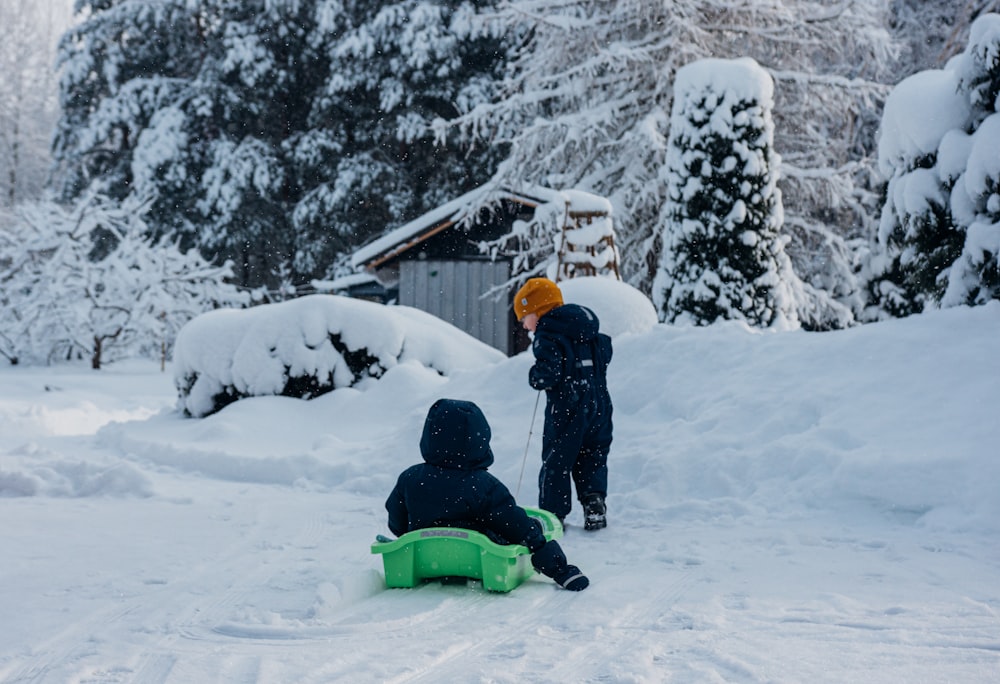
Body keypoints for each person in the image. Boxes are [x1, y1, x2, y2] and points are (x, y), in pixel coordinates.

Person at [385, 398, 589, 591]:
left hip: (426, 560)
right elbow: (515, 525)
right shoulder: (482, 485)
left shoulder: (410, 478)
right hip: (477, 560)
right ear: (478, 439)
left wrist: (411, 535)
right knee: (528, 524)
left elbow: (397, 522)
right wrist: (557, 566)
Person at [513, 277, 613, 531]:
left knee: (557, 460)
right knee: (593, 455)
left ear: (539, 310)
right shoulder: (589, 330)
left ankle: (553, 515)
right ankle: (594, 503)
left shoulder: (547, 334)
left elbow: (549, 372)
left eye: (525, 317)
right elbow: (606, 350)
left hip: (567, 406)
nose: (526, 326)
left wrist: (536, 377)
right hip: (599, 404)